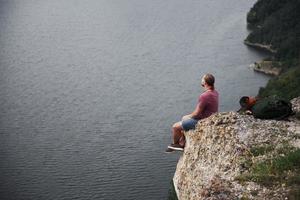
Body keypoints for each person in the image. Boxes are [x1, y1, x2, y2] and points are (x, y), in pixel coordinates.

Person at [166, 73, 219, 153]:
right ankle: (182, 142)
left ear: (204, 82)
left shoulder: (204, 96)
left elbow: (197, 114)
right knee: (184, 121)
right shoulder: (215, 92)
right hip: (211, 119)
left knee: (175, 127)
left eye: (202, 79)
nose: (201, 80)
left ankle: (176, 144)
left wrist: (188, 116)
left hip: (203, 121)